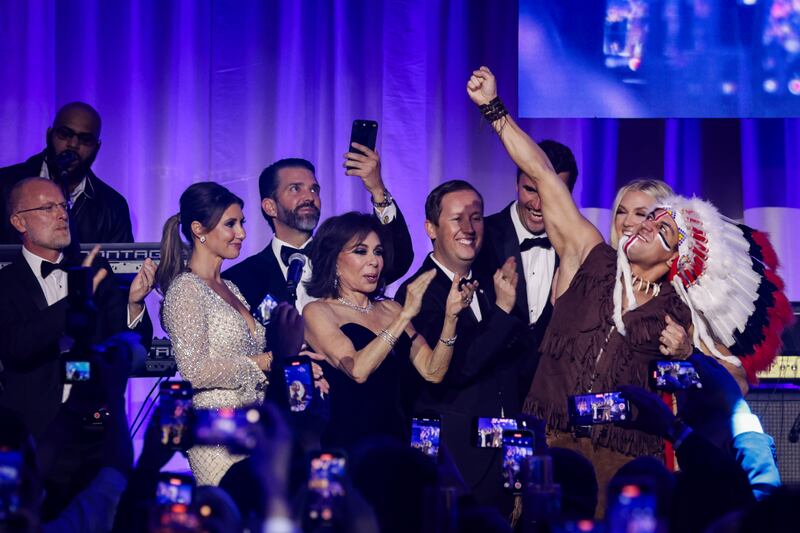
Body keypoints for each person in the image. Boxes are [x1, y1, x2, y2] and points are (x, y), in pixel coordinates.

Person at [467, 66, 791, 507]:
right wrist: (494, 108)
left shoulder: (682, 309)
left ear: (678, 256)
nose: (641, 225)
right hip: (547, 445)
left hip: (623, 464)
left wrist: (688, 354)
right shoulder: (590, 253)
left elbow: (735, 384)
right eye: (634, 215)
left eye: (658, 223)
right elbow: (542, 174)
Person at [397, 180, 524, 512]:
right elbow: (453, 371)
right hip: (456, 461)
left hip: (506, 457)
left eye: (477, 217)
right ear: (431, 228)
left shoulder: (491, 282)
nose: (469, 228)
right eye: (457, 218)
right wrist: (503, 312)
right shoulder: (417, 293)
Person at [301, 211, 475, 449]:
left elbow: (432, 370)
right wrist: (404, 316)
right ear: (334, 260)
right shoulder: (318, 311)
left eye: (378, 252)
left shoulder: (391, 309)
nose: (374, 261)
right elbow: (358, 370)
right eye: (361, 251)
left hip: (398, 439)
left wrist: (450, 318)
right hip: (350, 445)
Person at [0, 177, 153, 439]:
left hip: (95, 424)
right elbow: (17, 348)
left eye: (63, 206)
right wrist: (76, 299)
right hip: (30, 431)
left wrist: (134, 303)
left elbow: (134, 346)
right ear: (19, 221)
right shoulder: (6, 284)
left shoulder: (95, 269)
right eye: (48, 208)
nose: (61, 214)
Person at [158, 182, 274, 486]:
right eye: (231, 224)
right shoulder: (185, 290)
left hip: (252, 428)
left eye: (242, 223)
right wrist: (259, 363)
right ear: (199, 229)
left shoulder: (231, 288)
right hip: (216, 434)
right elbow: (194, 371)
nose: (242, 233)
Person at [223, 148, 414, 317]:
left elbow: (398, 259)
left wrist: (377, 189)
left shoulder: (343, 258)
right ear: (270, 207)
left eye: (314, 189)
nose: (309, 197)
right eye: (295, 189)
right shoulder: (241, 278)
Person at [474, 140, 579, 405]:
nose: (538, 203)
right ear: (516, 185)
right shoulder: (480, 238)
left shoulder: (577, 246)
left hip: (550, 396)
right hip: (488, 392)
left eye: (552, 193)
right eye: (530, 190)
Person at [0, 102, 134, 244]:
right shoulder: (4, 185)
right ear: (49, 135)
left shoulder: (113, 206)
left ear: (97, 147)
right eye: (65, 134)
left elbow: (120, 265)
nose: (73, 144)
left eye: (85, 139)